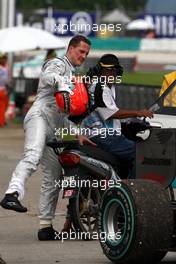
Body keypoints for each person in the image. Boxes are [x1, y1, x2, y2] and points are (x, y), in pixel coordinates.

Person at [0, 35, 94, 240]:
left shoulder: (72, 72)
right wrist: (64, 81)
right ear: (70, 49)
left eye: (86, 53)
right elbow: (47, 76)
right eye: (81, 51)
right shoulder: (57, 63)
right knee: (32, 154)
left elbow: (62, 114)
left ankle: (45, 226)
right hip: (38, 117)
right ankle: (11, 194)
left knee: (54, 175)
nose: (84, 56)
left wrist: (77, 132)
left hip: (53, 125)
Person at [81, 54, 153, 176]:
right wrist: (138, 112)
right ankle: (132, 189)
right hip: (103, 136)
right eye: (107, 70)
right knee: (140, 154)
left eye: (114, 70)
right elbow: (111, 114)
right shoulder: (100, 87)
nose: (111, 73)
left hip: (103, 135)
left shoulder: (106, 87)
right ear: (100, 71)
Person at [0, 53, 10, 127]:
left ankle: (2, 120)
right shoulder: (2, 68)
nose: (4, 60)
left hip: (4, 89)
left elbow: (6, 79)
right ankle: (1, 122)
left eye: (5, 58)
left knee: (4, 106)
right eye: (3, 58)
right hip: (1, 90)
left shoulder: (5, 68)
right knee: (2, 106)